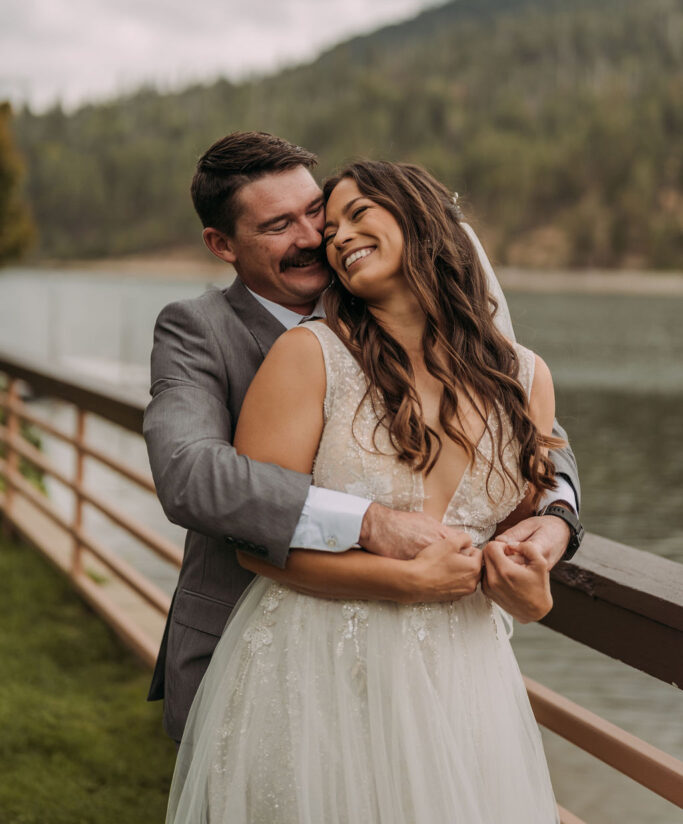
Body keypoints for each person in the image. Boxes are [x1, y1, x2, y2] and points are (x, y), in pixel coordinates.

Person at [144, 132, 582, 745]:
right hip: (259, 645)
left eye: (315, 213)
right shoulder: (198, 330)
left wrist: (558, 517)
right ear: (222, 244)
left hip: (437, 669)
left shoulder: (396, 310)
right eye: (278, 226)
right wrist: (370, 522)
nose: (313, 238)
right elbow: (190, 473)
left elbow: (537, 440)